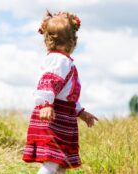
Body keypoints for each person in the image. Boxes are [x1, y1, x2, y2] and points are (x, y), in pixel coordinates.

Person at [22, 10, 98, 174]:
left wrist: (81, 113)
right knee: (52, 162)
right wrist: (46, 104)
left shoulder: (62, 61)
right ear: (72, 42)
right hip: (54, 116)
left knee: (60, 163)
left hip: (62, 115)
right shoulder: (60, 60)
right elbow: (48, 81)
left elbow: (67, 95)